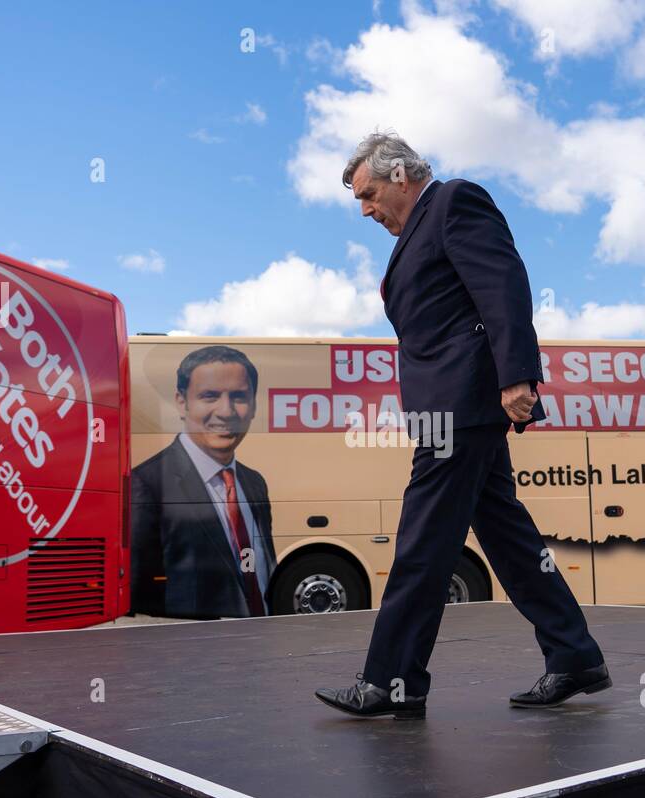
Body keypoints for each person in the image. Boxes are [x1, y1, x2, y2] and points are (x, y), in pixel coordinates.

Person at [315, 133, 608, 720]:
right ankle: (574, 655)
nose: (366, 210)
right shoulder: (416, 230)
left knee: (423, 539)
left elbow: (502, 284)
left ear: (400, 176)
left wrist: (517, 376)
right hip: (450, 406)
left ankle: (391, 679)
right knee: (509, 539)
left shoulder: (453, 201)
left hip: (461, 404)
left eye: (369, 195)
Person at [131, 346, 275, 619]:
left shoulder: (254, 482)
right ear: (182, 402)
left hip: (258, 643)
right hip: (196, 647)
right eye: (209, 396)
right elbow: (138, 596)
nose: (226, 411)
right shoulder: (147, 483)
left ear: (254, 405)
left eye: (239, 396)